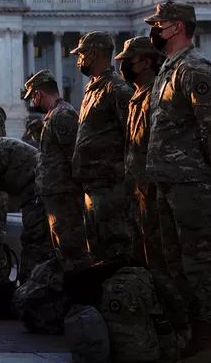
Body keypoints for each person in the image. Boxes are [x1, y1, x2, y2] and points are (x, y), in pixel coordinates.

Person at [144, 0, 211, 362]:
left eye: (159, 23)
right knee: (178, 265)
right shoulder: (169, 69)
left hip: (192, 184)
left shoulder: (194, 68)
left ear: (177, 27)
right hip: (169, 182)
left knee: (205, 266)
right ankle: (198, 337)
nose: (154, 29)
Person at [119, 35, 187, 334]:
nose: (124, 67)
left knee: (166, 264)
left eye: (128, 61)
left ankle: (182, 329)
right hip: (140, 193)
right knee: (146, 261)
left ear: (145, 61)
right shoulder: (137, 96)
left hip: (158, 192)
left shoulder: (157, 96)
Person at [70, 31, 135, 264]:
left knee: (114, 247)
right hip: (94, 184)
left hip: (111, 185)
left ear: (94, 54)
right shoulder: (93, 88)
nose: (79, 59)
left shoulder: (117, 89)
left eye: (82, 54)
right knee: (96, 248)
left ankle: (121, 294)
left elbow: (133, 135)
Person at [23, 69, 90, 271]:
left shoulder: (62, 114)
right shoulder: (54, 115)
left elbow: (74, 156)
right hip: (56, 194)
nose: (32, 102)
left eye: (32, 98)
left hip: (65, 196)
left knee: (72, 250)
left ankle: (81, 294)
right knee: (62, 250)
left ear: (38, 94)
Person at [0, 136, 49, 282]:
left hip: (38, 187)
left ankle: (30, 287)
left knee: (34, 240)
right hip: (37, 185)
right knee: (36, 240)